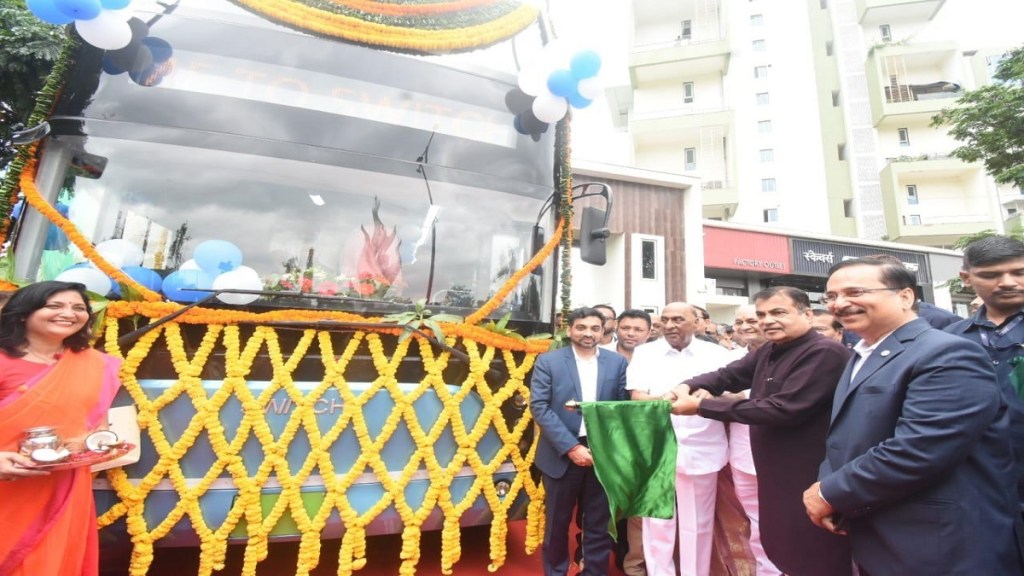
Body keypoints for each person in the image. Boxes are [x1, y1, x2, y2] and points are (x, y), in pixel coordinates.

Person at [804, 257, 1023, 575]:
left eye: (855, 292)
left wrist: (830, 492)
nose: (841, 303)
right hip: (884, 527)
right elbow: (845, 437)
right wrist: (831, 486)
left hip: (941, 543)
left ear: (905, 296)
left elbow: (921, 448)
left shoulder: (947, 353)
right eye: (832, 296)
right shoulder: (863, 353)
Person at [669, 288, 852, 576]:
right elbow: (730, 374)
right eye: (762, 314)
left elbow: (780, 409)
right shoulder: (770, 349)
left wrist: (702, 406)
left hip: (808, 472)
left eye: (778, 312)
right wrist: (687, 385)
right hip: (773, 470)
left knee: (815, 549)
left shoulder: (824, 352)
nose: (768, 321)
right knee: (779, 543)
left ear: (807, 314)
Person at [0, 281, 123, 575]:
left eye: (78, 308)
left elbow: (96, 425)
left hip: (63, 489)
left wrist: (94, 444)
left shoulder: (93, 364)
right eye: (54, 306)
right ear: (22, 313)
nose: (68, 313)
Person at [627, 302, 732, 576]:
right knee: (656, 521)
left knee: (698, 523)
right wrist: (670, 400)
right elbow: (636, 396)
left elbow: (737, 394)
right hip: (656, 449)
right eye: (665, 319)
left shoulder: (717, 354)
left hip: (702, 447)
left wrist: (710, 398)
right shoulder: (645, 353)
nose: (670, 325)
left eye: (678, 319)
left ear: (696, 322)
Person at [530, 307, 630, 576]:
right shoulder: (548, 361)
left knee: (598, 523)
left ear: (603, 330)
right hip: (560, 453)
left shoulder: (617, 363)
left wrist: (606, 449)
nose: (588, 333)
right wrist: (572, 448)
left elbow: (620, 409)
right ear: (569, 329)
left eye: (594, 328)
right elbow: (539, 407)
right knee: (557, 524)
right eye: (581, 327)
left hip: (602, 454)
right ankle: (556, 571)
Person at [945, 235, 1024, 514]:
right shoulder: (948, 339)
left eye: (1019, 272)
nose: (1007, 282)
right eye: (991, 275)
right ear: (966, 278)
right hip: (976, 480)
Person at [599, 309, 652, 576]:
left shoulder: (656, 358)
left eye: (638, 329)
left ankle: (628, 557)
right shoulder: (600, 355)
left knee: (636, 507)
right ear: (617, 327)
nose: (631, 333)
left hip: (644, 444)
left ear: (649, 332)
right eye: (627, 328)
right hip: (606, 441)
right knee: (600, 502)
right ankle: (589, 551)